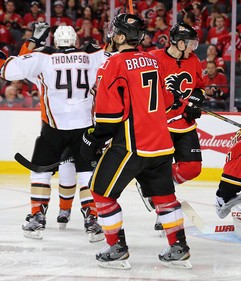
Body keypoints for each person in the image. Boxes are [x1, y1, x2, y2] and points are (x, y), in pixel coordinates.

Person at [80, 13, 191, 269]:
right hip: (162, 144)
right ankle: (179, 246)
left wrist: (93, 139)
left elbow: (109, 117)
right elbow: (166, 102)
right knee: (164, 197)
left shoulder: (112, 64)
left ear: (120, 36)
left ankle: (116, 248)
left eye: (114, 31)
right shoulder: (152, 60)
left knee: (100, 192)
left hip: (131, 145)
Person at [0, 22, 111, 241]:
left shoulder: (43, 58)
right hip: (85, 127)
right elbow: (117, 57)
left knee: (40, 171)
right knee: (87, 174)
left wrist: (33, 42)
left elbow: (8, 70)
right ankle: (92, 217)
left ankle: (37, 216)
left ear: (55, 41)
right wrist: (111, 39)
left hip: (53, 128)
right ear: (75, 41)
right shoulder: (92, 55)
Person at [145, 22, 205, 234]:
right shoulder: (153, 58)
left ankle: (152, 186)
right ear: (179, 43)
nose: (193, 48)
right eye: (190, 43)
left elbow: (199, 87)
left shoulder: (193, 60)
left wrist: (196, 101)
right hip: (160, 125)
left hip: (185, 124)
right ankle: (164, 213)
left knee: (192, 168)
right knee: (161, 169)